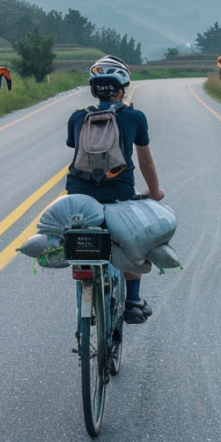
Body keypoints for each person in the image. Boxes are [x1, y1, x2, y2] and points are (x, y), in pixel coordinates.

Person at [66, 55, 164, 323]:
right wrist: (154, 192)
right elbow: (145, 160)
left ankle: (85, 280)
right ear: (122, 89)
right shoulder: (134, 117)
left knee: (82, 239)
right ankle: (132, 301)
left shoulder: (78, 118)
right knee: (133, 241)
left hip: (78, 193)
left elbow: (75, 150)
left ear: (94, 89)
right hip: (119, 191)